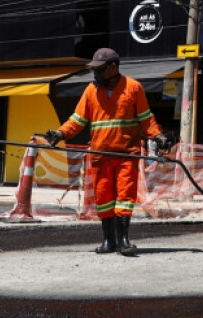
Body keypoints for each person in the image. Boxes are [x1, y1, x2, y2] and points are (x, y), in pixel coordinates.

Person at [45, 48, 169, 256]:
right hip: (100, 156)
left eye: (99, 69)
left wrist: (158, 136)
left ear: (113, 67)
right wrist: (60, 133)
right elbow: (77, 120)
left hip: (126, 154)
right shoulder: (91, 91)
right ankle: (108, 241)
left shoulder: (133, 87)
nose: (96, 73)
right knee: (104, 198)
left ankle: (123, 241)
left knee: (125, 197)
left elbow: (146, 119)